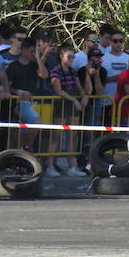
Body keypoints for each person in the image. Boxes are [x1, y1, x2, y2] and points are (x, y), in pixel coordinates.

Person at [47, 45, 88, 177]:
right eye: (69, 57)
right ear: (61, 57)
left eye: (73, 57)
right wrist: (74, 100)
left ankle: (72, 166)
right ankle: (50, 165)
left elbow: (79, 86)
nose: (71, 59)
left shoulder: (72, 71)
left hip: (73, 104)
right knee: (57, 136)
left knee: (73, 135)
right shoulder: (56, 71)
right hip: (62, 104)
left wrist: (83, 95)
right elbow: (58, 90)